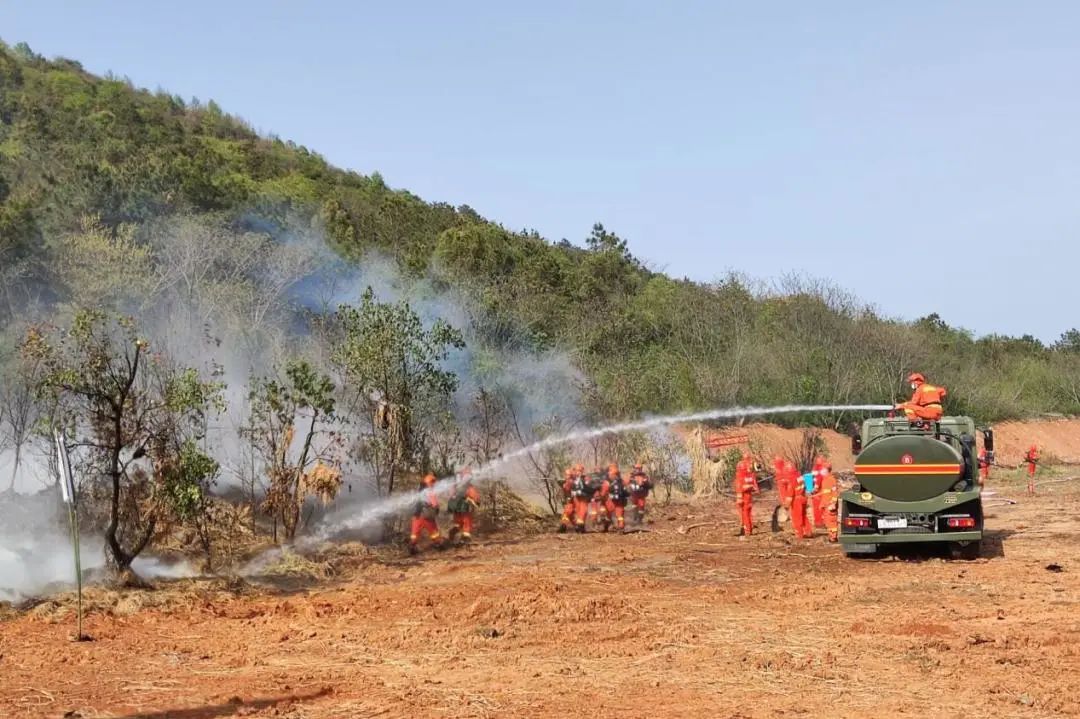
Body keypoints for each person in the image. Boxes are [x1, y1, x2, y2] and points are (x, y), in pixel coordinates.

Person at [409, 473, 443, 554]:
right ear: (430, 483)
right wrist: (436, 509)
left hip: (417, 516)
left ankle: (412, 546)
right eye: (433, 482)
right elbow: (435, 504)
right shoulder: (430, 492)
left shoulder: (419, 491)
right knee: (434, 531)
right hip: (427, 516)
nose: (434, 484)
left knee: (414, 533)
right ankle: (438, 544)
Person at [448, 474, 481, 543]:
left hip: (456, 509)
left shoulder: (455, 487)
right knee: (467, 522)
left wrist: (451, 507)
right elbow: (474, 495)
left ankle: (453, 533)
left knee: (458, 523)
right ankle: (465, 538)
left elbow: (451, 496)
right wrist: (477, 502)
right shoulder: (469, 487)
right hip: (465, 508)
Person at [733, 452, 760, 537]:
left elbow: (739, 487)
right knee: (748, 512)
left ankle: (747, 529)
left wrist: (739, 497)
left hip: (743, 496)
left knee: (744, 513)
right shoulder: (750, 472)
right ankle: (749, 527)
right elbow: (754, 483)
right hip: (749, 496)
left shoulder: (741, 474)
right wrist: (755, 488)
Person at [817, 462, 839, 543]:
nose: (821, 471)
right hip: (826, 505)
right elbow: (825, 493)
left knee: (832, 522)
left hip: (830, 505)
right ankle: (831, 536)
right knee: (828, 522)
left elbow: (835, 493)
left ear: (826, 470)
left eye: (822, 469)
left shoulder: (831, 479)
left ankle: (833, 538)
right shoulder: (825, 479)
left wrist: (833, 504)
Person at [605, 464, 630, 531]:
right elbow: (627, 492)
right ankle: (621, 527)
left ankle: (607, 525)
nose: (609, 475)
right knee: (620, 515)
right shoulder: (622, 481)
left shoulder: (607, 482)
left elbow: (604, 491)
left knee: (608, 513)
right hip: (620, 501)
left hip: (611, 501)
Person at [810, 455, 828, 528]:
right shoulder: (822, 468)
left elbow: (812, 478)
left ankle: (818, 522)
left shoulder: (815, 468)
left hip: (817, 490)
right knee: (820, 507)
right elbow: (818, 478)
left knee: (817, 508)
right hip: (819, 491)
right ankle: (820, 522)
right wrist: (815, 488)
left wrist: (811, 488)